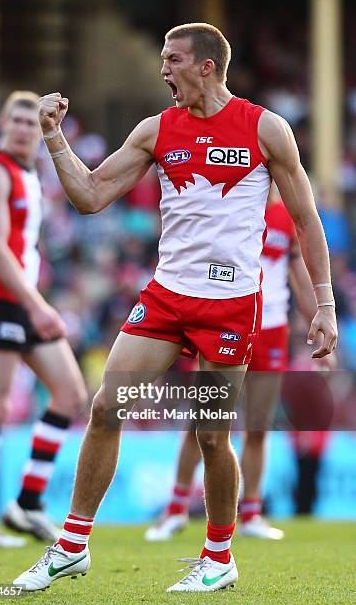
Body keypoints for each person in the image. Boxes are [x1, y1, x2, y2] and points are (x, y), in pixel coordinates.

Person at [14, 23, 337, 593]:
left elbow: (308, 221)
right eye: (162, 58)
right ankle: (70, 545)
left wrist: (325, 306)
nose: (163, 69)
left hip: (230, 308)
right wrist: (54, 139)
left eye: (173, 59)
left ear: (207, 65)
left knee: (212, 435)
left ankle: (218, 556)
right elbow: (89, 197)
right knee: (107, 406)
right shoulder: (156, 129)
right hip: (166, 300)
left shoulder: (266, 128)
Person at [144, 187, 335, 543]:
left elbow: (299, 275)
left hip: (271, 329)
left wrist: (321, 320)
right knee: (205, 421)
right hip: (226, 325)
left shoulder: (287, 218)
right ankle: (175, 509)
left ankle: (251, 513)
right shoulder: (230, 204)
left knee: (259, 426)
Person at [0, 91, 88, 547]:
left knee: (71, 394)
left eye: (30, 122)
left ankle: (26, 505)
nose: (21, 128)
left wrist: (36, 296)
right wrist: (38, 304)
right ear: (2, 123)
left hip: (22, 295)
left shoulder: (28, 171)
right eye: (15, 120)